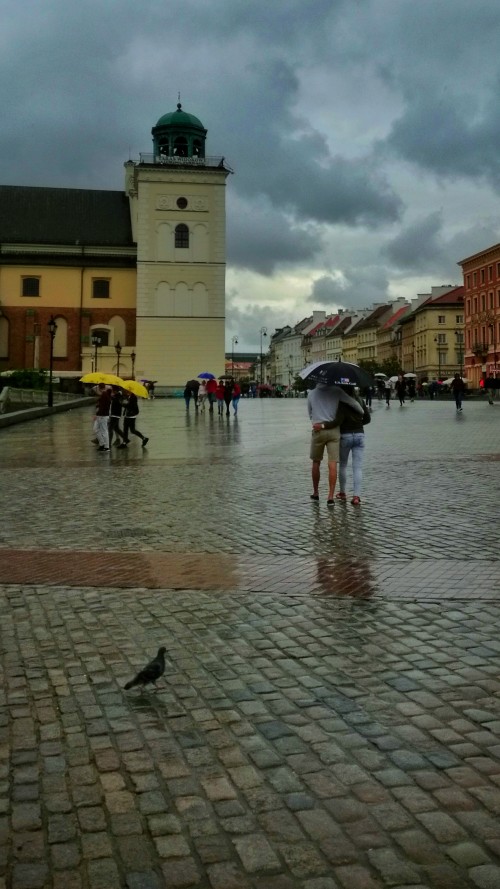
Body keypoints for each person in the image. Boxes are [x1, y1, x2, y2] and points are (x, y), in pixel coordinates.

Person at [307, 383, 363, 506]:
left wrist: (316, 420)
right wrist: (362, 411)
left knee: (316, 462)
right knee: (332, 463)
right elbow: (352, 402)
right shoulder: (336, 391)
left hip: (318, 430)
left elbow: (310, 413)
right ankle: (330, 497)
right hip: (334, 431)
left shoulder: (311, 393)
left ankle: (316, 493)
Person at [335, 385, 371, 506]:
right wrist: (358, 423)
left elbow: (338, 420)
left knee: (343, 465)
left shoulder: (341, 401)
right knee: (357, 468)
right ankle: (356, 496)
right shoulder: (360, 400)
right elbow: (367, 418)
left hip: (345, 435)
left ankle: (343, 492)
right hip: (360, 435)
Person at [94, 383, 111, 451]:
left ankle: (106, 446)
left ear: (99, 388)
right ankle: (102, 444)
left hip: (102, 415)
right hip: (100, 415)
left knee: (104, 430)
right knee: (96, 429)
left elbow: (102, 406)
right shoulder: (103, 395)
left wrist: (97, 413)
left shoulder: (104, 395)